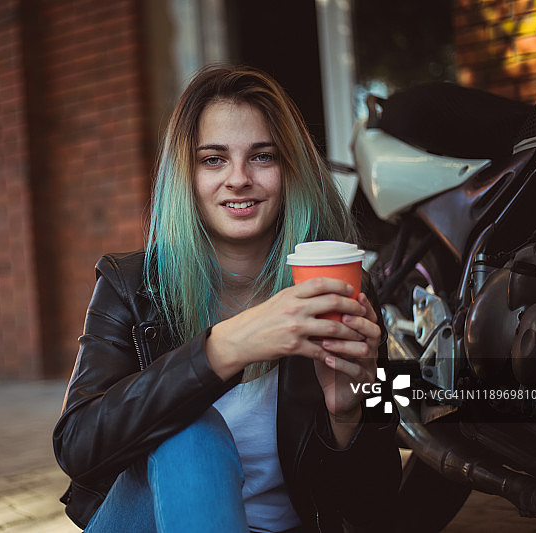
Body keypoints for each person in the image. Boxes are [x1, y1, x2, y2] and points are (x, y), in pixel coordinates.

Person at [53, 65, 401, 533]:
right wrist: (226, 347)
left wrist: (348, 415)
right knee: (191, 430)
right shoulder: (131, 284)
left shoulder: (340, 290)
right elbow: (77, 445)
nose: (239, 179)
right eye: (213, 159)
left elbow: (376, 507)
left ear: (289, 170)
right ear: (186, 175)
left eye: (262, 156)